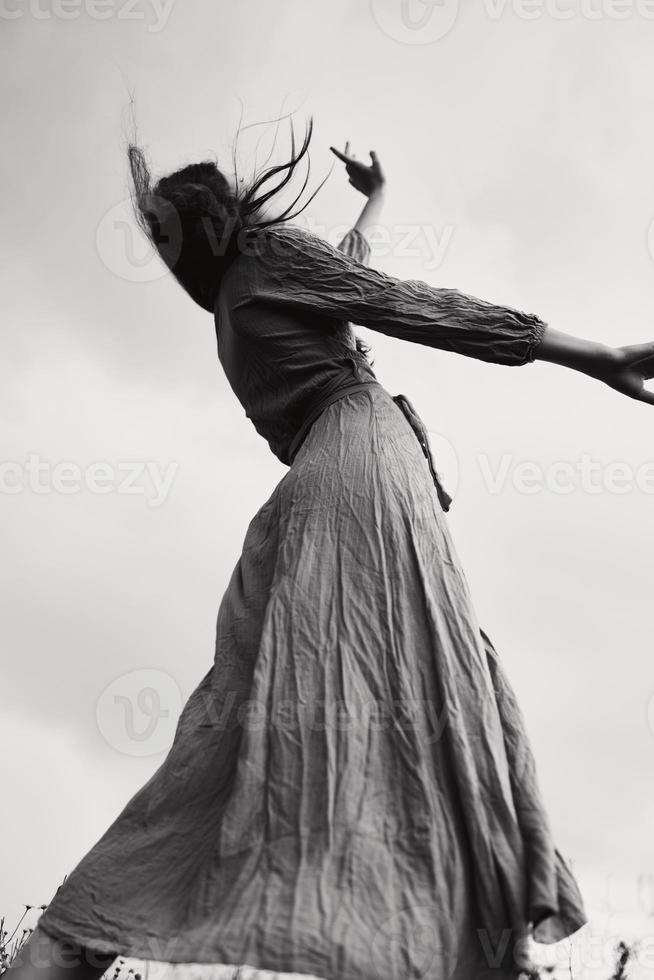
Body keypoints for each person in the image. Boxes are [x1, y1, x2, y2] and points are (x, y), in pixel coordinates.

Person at [12, 118, 654, 980]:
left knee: (341, 682)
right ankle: (78, 939)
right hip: (339, 475)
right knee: (312, 692)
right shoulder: (254, 283)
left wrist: (592, 352)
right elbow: (365, 283)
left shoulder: (254, 278)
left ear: (207, 222)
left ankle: (468, 938)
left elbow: (391, 296)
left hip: (344, 469)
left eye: (165, 233)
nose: (161, 257)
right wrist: (383, 203)